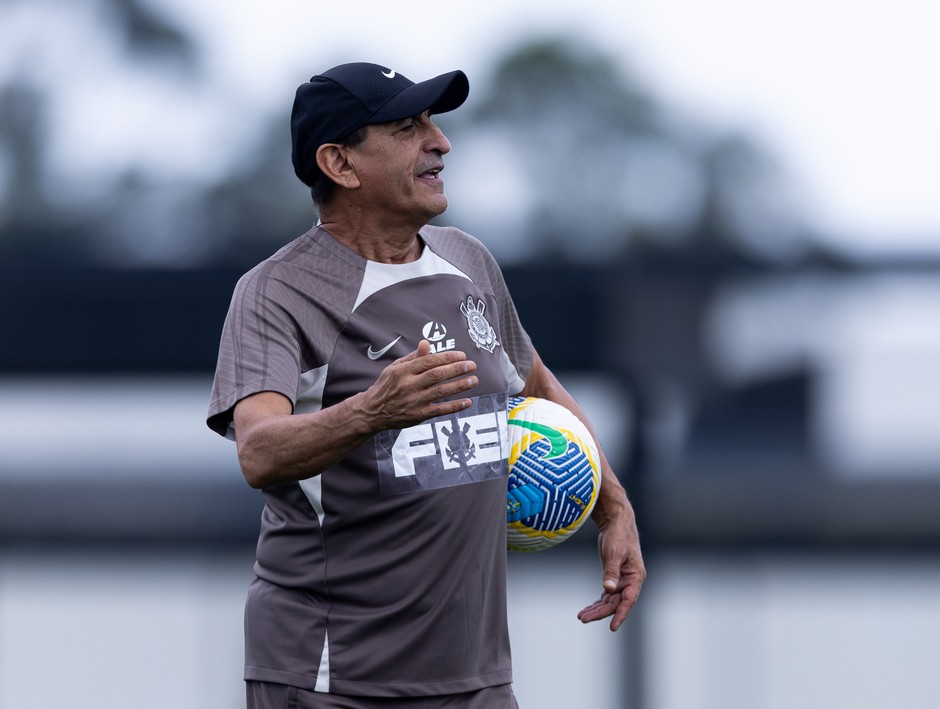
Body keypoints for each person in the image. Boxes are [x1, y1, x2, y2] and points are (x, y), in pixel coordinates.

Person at [207, 61, 646, 709]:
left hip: (476, 681)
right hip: (333, 678)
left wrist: (613, 505)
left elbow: (536, 382)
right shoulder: (277, 291)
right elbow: (259, 450)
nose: (440, 142)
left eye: (434, 123)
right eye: (408, 127)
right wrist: (372, 411)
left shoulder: (468, 260)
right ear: (340, 163)